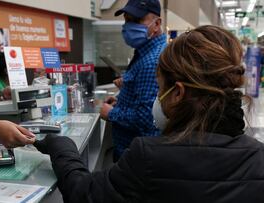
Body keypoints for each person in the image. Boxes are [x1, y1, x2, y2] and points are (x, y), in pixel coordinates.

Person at [33, 25, 264, 202]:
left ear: (178, 93)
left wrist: (62, 147)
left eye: (160, 87)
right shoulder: (258, 156)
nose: (157, 97)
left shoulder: (150, 156)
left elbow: (83, 193)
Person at [99, 0, 166, 160]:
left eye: (136, 21)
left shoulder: (153, 61)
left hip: (136, 156)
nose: (128, 26)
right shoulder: (144, 53)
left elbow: (148, 118)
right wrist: (120, 101)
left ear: (156, 24)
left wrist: (112, 113)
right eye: (127, 20)